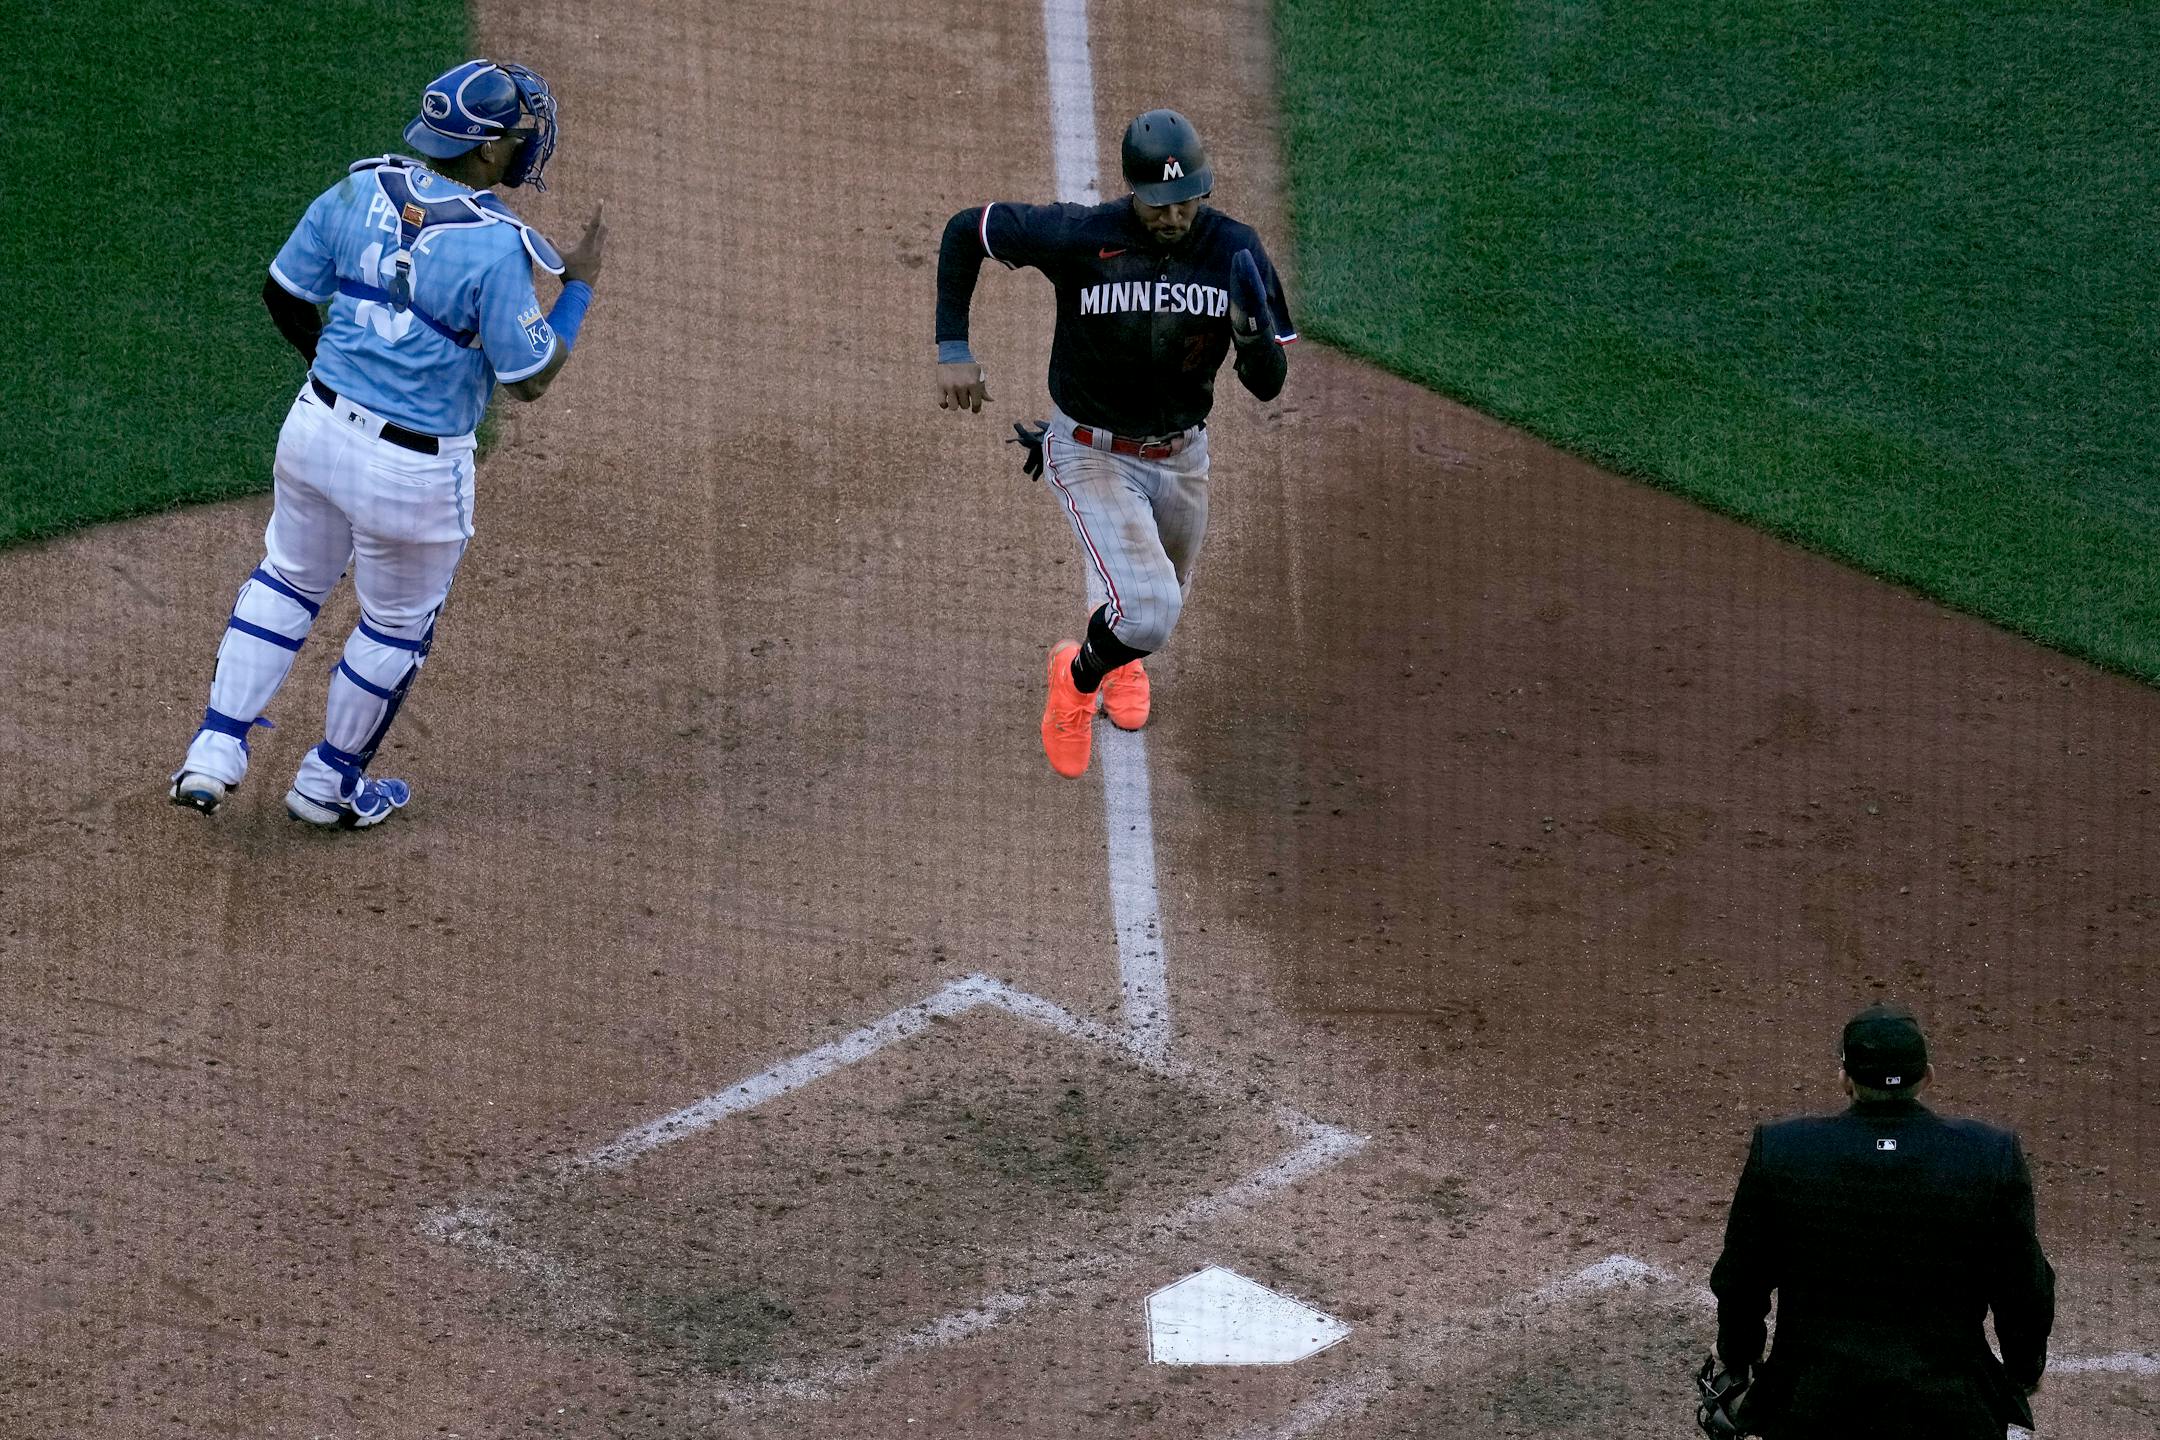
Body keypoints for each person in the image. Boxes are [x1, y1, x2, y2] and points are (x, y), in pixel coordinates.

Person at [168, 59, 605, 828]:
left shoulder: (354, 189)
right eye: (514, 136)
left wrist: (328, 365)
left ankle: (214, 747)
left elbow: (285, 292)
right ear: (483, 153)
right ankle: (328, 785)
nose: (525, 145)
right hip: (413, 473)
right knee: (395, 626)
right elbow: (530, 376)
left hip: (315, 431)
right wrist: (577, 289)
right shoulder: (500, 246)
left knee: (288, 580)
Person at [932, 108, 1296, 778]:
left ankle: (1119, 657)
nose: (1174, 216)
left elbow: (1269, 387)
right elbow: (966, 232)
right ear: (1134, 189)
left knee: (1160, 593)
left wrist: (1252, 340)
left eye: (1186, 201)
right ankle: (1076, 678)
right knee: (1152, 610)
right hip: (1090, 449)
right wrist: (953, 346)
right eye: (1159, 204)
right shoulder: (1081, 234)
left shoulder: (1235, 252)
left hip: (1183, 457)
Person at [1702, 1002, 2055, 1438]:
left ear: (1845, 1079)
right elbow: (2024, 1288)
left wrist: (1738, 1361)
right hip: (1950, 1411)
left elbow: (1741, 1280)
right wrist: (2024, 1368)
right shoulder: (1988, 1154)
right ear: (1927, 1076)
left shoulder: (1784, 1151)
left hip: (1812, 1409)